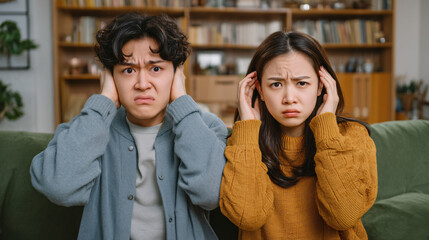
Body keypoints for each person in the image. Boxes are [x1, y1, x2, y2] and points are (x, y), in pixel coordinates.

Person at [30, 12, 228, 240]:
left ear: (177, 74)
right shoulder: (91, 127)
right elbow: (58, 187)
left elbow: (211, 195)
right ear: (110, 77)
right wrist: (104, 101)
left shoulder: (206, 126)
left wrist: (182, 100)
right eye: (128, 70)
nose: (142, 85)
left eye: (156, 69)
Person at [219, 31, 377, 239]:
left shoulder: (353, 136)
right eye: (276, 84)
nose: (289, 98)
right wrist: (248, 126)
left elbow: (343, 217)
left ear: (322, 85)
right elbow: (247, 216)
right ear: (260, 90)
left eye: (302, 83)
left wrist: (326, 129)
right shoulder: (244, 142)